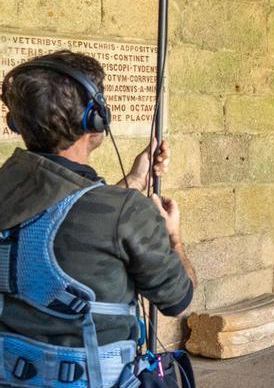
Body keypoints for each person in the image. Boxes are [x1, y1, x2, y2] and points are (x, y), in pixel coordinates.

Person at [0, 50, 195, 387]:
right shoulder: (126, 213)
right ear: (95, 117)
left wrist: (134, 180)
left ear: (16, 122)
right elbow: (178, 299)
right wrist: (173, 237)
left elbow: (52, 214)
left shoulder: (8, 188)